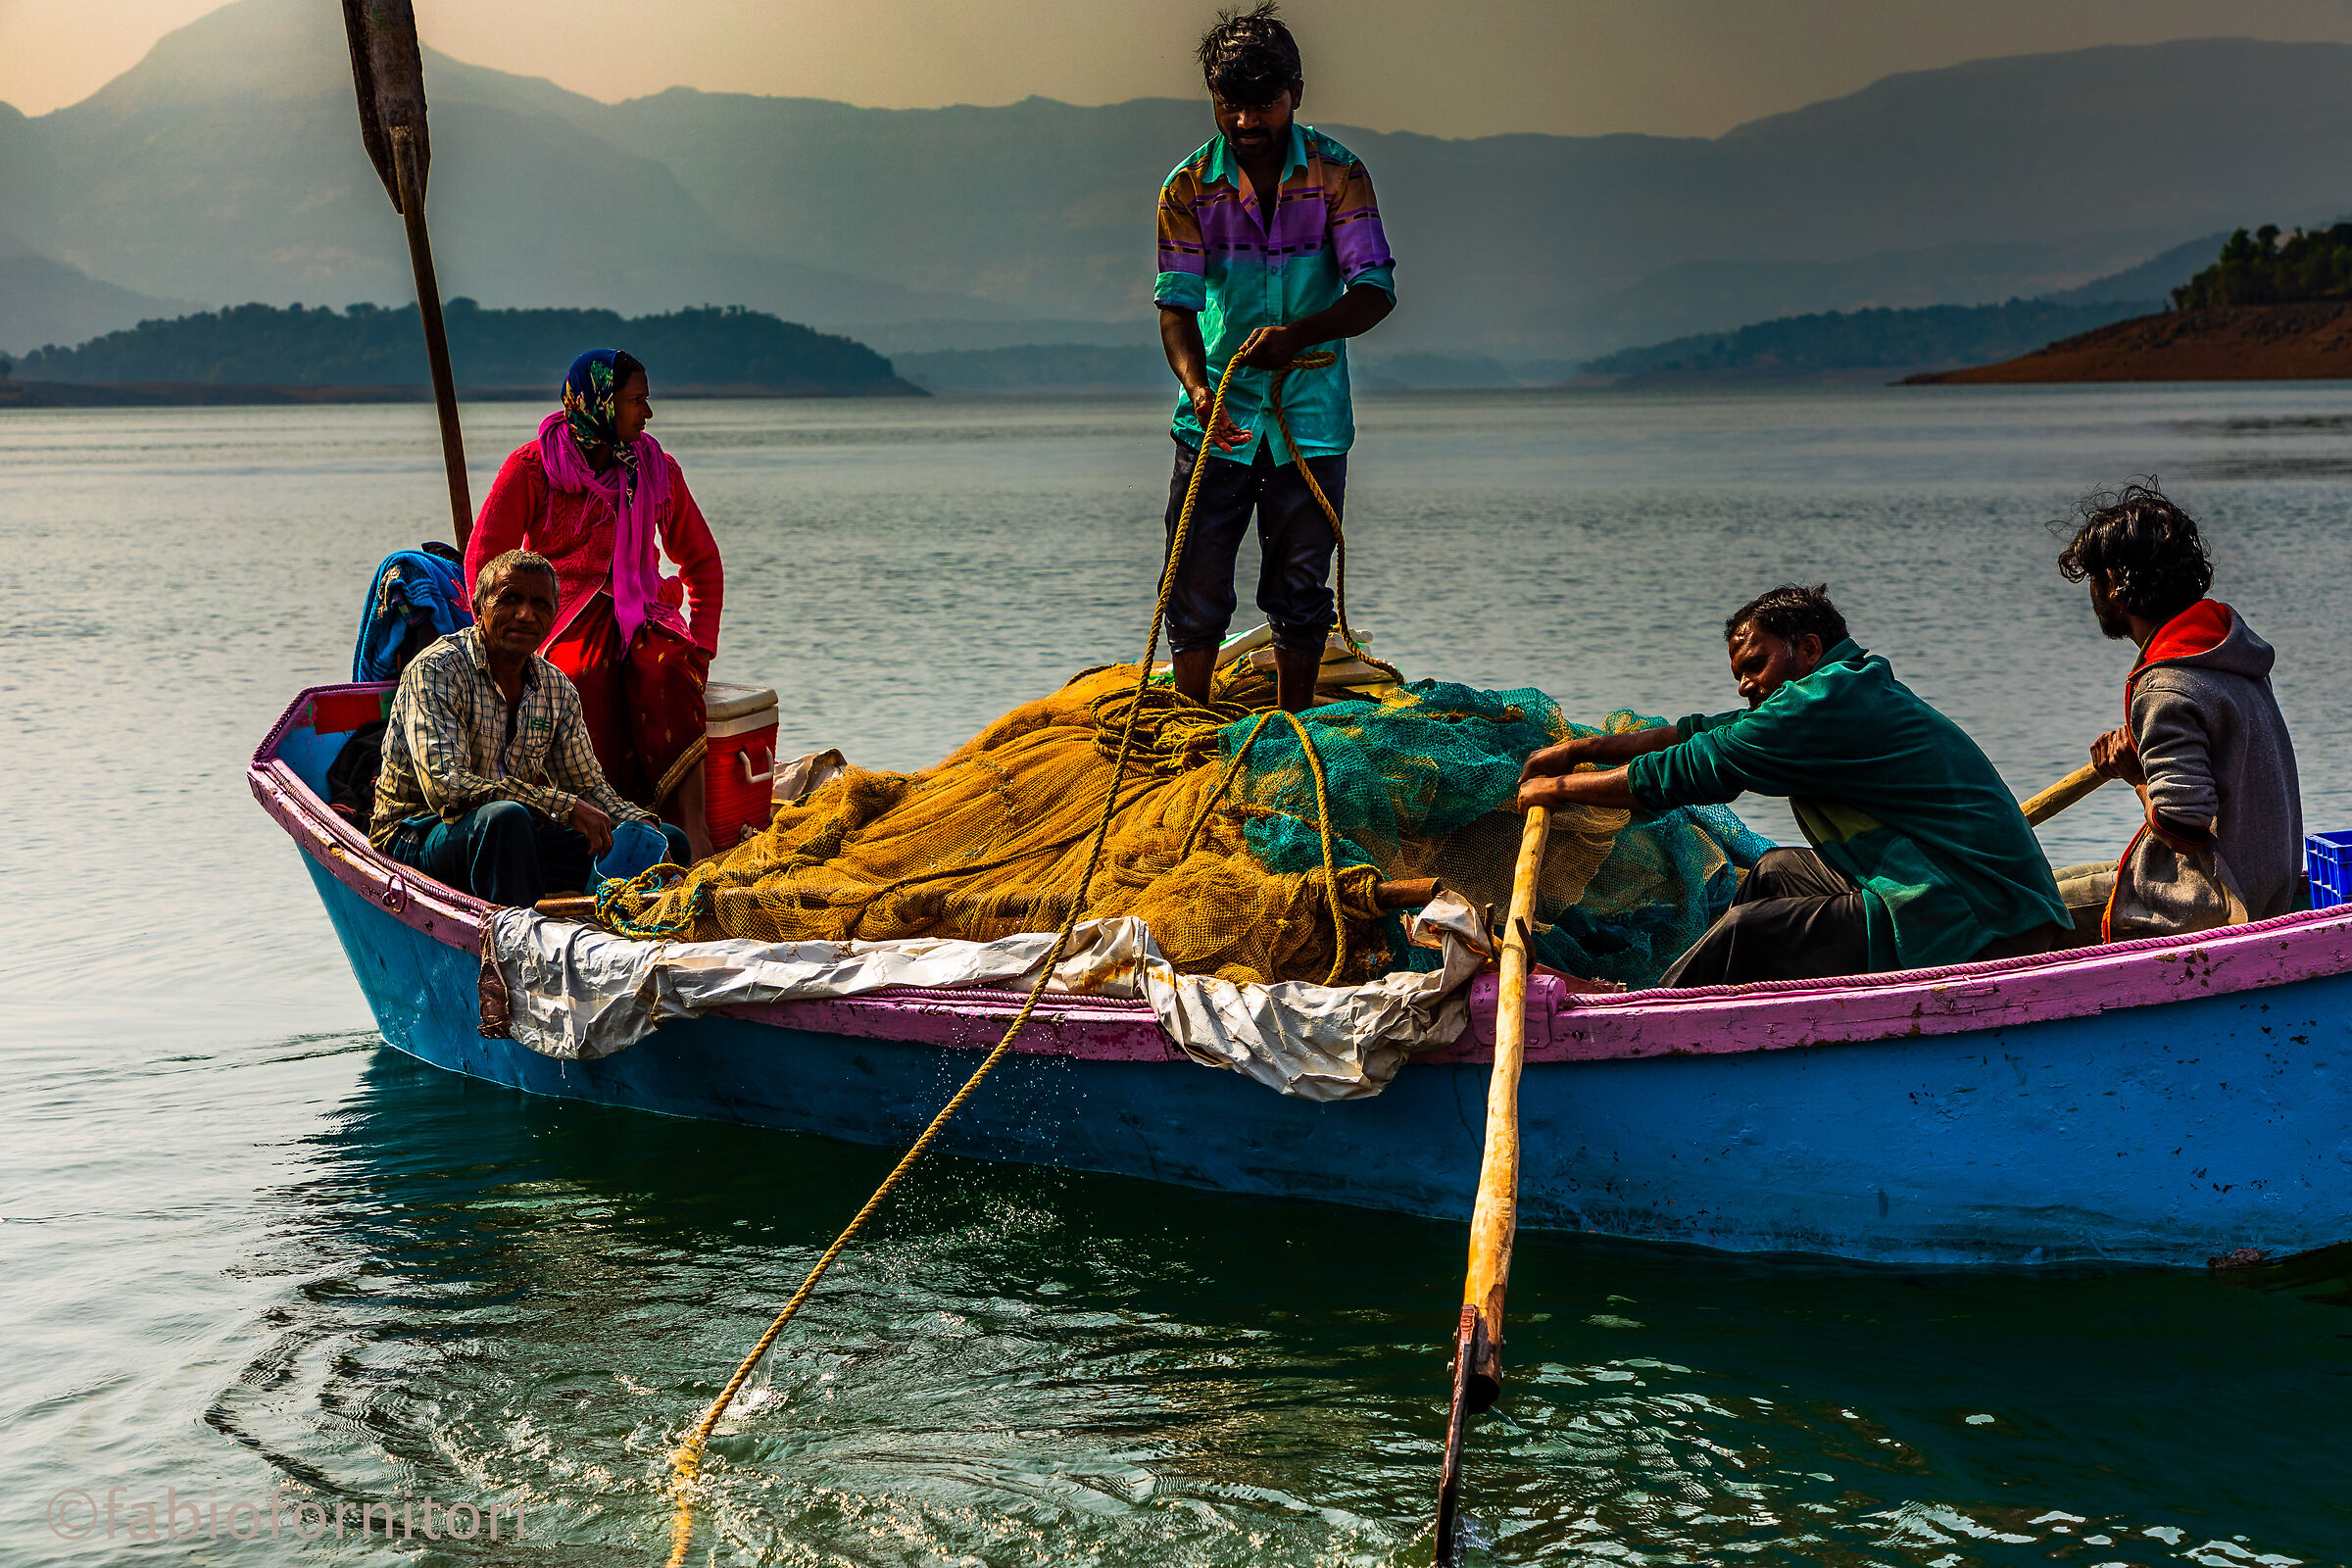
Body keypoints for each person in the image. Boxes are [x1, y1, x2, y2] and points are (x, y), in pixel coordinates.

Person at [1516, 584, 2068, 987]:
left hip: (1979, 914)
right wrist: (1580, 752)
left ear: (1807, 648)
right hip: (1939, 878)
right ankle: (1721, 1004)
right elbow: (1701, 733)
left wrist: (1558, 790)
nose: (1744, 686)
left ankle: (1643, 1017)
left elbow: (1689, 768)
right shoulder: (1838, 690)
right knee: (1774, 870)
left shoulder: (1823, 704)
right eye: (1739, 675)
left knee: (1748, 931)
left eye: (1756, 664)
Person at [1153, 2, 1396, 712]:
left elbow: (1375, 292)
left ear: (1296, 93)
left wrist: (1299, 335)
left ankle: (1292, 726)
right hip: (1217, 418)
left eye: (1263, 104)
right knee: (1194, 580)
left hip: (1311, 417)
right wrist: (1199, 390)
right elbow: (1177, 307)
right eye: (1231, 106)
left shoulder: (1338, 174)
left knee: (1299, 584)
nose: (1247, 123)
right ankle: (1189, 725)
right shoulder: (1188, 187)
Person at [466, 349, 723, 860]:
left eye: (646, 401)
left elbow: (702, 561)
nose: (646, 414)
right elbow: (483, 560)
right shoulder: (533, 468)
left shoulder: (655, 469)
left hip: (645, 610)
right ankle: (589, 836)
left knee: (670, 667)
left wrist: (703, 649)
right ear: (599, 404)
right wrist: (496, 644)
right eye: (636, 402)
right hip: (561, 617)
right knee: (580, 678)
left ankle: (692, 831)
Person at [2053, 481, 2303, 938]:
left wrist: (2139, 776)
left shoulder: (2167, 686)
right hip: (2265, 883)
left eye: (2094, 579)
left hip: (2214, 900)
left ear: (2112, 582)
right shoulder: (2225, 652)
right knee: (2043, 883)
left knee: (2018, 912)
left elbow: (2181, 821)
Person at [370, 549, 689, 907]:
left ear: (553, 616)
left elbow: (586, 788)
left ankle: (608, 935)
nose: (525, 614)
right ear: (479, 608)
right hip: (418, 833)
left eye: (540, 604)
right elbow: (449, 790)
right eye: (510, 600)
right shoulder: (436, 670)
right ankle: (518, 945)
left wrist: (640, 823)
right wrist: (563, 807)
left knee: (668, 841)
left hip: (511, 834)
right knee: (506, 821)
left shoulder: (556, 689)